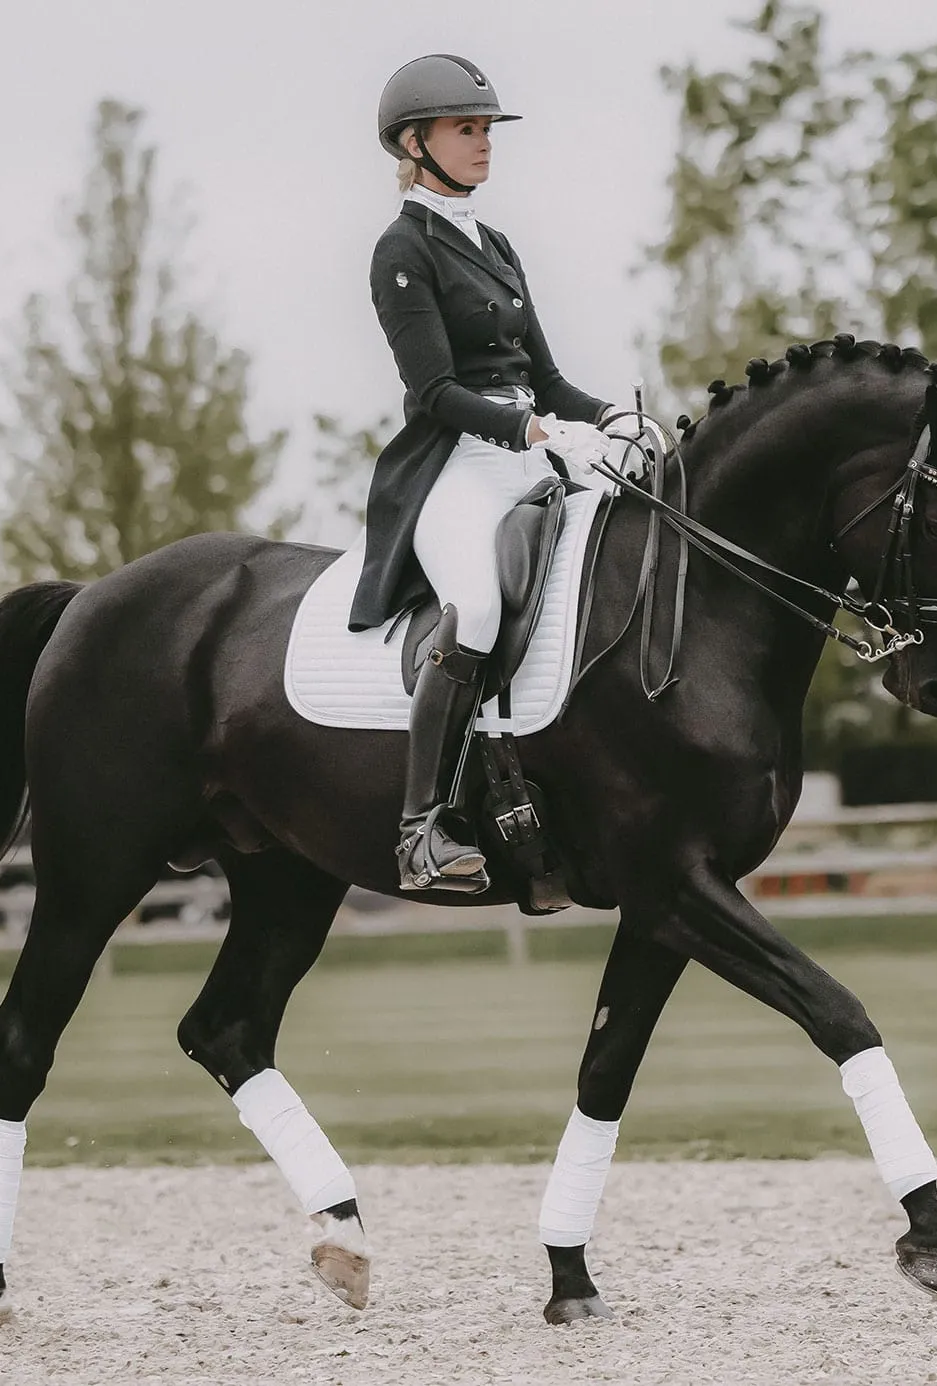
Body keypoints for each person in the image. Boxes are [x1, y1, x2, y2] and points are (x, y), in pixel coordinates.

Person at [352, 53, 619, 894]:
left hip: (532, 452)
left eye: (486, 129)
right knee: (471, 613)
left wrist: (612, 418)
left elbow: (549, 377)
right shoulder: (401, 249)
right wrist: (532, 427)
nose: (483, 143)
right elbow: (433, 393)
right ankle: (419, 828)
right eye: (466, 129)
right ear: (414, 141)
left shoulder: (494, 244)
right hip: (458, 467)